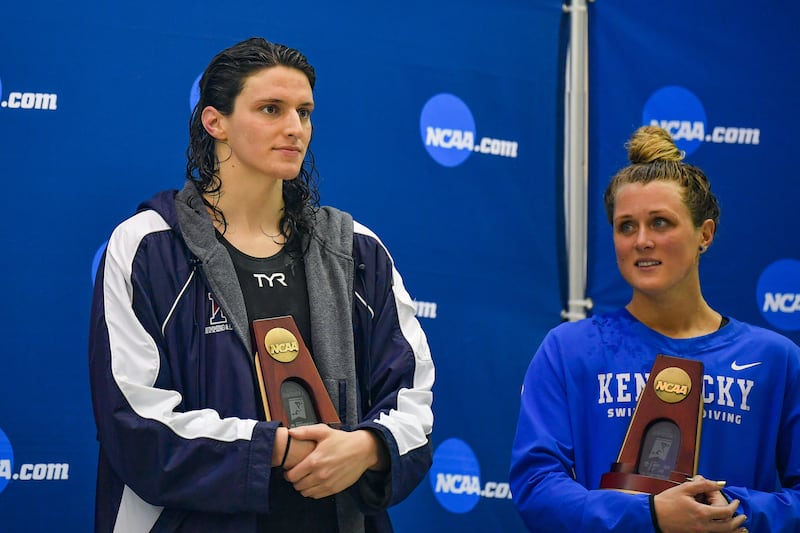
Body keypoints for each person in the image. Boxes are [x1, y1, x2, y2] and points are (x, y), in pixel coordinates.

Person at [88, 37, 435, 533]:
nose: (295, 128)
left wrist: (367, 447)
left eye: (305, 112)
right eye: (271, 109)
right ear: (216, 122)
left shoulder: (357, 251)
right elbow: (133, 418)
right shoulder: (147, 246)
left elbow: (412, 400)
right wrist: (274, 447)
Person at [509, 125, 800, 532]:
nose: (641, 240)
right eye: (626, 226)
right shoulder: (570, 349)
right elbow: (536, 485)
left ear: (705, 234)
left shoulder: (773, 359)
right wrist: (650, 517)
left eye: (661, 223)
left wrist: (727, 509)